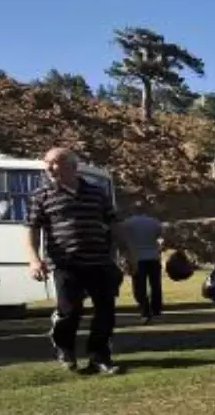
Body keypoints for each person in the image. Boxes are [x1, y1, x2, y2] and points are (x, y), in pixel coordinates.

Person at [24, 147, 136, 375]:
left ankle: (100, 357)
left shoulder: (96, 193)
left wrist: (126, 252)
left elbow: (114, 224)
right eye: (47, 163)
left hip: (99, 261)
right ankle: (65, 349)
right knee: (69, 311)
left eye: (55, 162)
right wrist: (34, 260)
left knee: (106, 310)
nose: (49, 167)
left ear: (72, 166)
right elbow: (32, 230)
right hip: (66, 263)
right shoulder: (41, 195)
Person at [121, 210, 165, 322]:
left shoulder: (127, 223)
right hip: (153, 256)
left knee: (139, 287)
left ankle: (145, 311)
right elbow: (160, 237)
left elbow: (124, 240)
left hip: (137, 258)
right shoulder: (154, 222)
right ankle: (156, 310)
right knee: (155, 285)